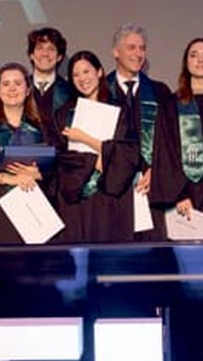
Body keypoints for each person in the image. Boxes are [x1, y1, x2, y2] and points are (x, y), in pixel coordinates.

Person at [0, 62, 60, 245]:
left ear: (28, 89)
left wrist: (40, 173)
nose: (12, 89)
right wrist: (7, 178)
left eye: (18, 83)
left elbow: (61, 168)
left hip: (37, 212)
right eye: (5, 84)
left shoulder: (45, 128)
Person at [151, 37, 203, 239]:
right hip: (190, 191)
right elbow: (166, 152)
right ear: (186, 63)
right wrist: (178, 194)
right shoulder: (172, 105)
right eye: (194, 55)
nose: (200, 60)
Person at [55, 51, 140, 242]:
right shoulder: (64, 114)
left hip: (111, 195)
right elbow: (61, 158)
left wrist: (85, 138)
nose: (82, 79)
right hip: (77, 196)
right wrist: (98, 158)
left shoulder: (120, 109)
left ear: (99, 72)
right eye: (76, 75)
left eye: (86, 71)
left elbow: (128, 153)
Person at [106, 23, 171, 240]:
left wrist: (156, 169)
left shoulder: (160, 92)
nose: (138, 54)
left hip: (149, 187)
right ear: (116, 51)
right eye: (131, 48)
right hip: (111, 191)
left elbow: (170, 142)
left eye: (142, 48)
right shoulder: (100, 91)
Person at [27, 27, 73, 127]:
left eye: (51, 49)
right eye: (40, 48)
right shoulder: (19, 89)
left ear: (59, 57)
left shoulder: (70, 91)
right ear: (31, 55)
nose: (45, 54)